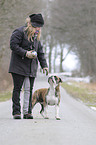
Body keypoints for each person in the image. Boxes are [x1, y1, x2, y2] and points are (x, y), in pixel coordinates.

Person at [9, 13, 48, 119]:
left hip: (31, 67)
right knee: (17, 89)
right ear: (30, 24)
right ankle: (16, 112)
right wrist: (25, 53)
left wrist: (44, 65)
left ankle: (27, 112)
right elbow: (13, 45)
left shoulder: (37, 37)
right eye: (36, 27)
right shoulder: (19, 32)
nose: (38, 29)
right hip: (18, 66)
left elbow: (40, 52)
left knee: (29, 90)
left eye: (39, 27)